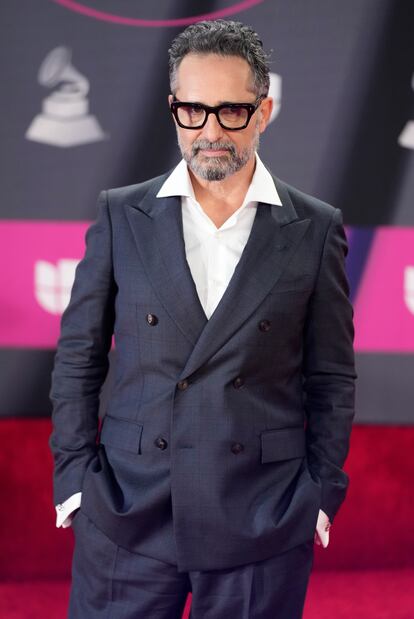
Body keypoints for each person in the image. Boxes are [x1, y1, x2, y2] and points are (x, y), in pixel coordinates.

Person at [49, 19, 356, 619]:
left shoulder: (314, 228)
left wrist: (318, 495)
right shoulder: (122, 215)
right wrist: (74, 478)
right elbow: (78, 357)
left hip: (262, 517)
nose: (211, 130)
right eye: (193, 110)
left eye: (232, 111)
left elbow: (332, 377)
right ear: (173, 110)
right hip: (126, 510)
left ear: (263, 111)